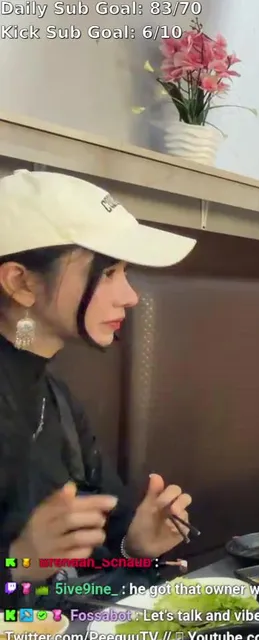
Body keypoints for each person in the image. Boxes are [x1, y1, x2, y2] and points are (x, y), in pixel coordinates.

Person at [0, 170, 198, 609]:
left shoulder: (55, 398)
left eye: (124, 272)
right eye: (107, 272)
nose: (130, 295)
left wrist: (134, 548)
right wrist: (18, 566)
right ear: (21, 282)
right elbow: (27, 583)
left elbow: (78, 578)